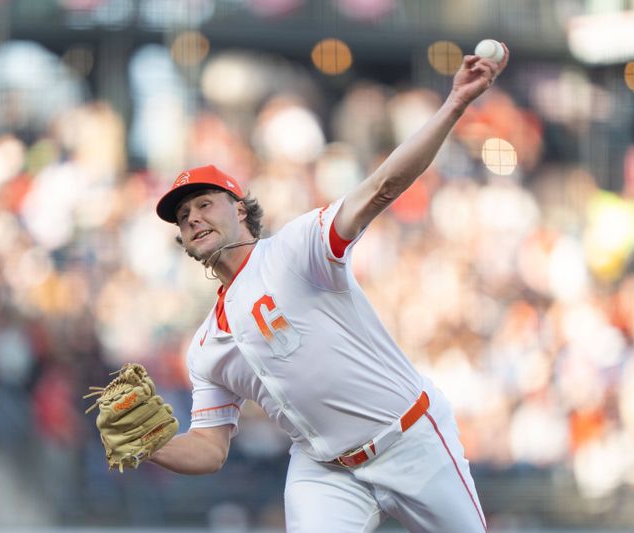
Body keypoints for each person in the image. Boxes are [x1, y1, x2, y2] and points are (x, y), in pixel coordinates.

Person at [149, 45, 509, 532]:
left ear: (238, 209)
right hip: (325, 471)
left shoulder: (296, 249)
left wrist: (454, 105)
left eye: (204, 203)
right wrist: (150, 445)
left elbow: (382, 186)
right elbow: (209, 449)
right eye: (183, 216)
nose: (192, 216)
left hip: (409, 437)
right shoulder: (206, 349)